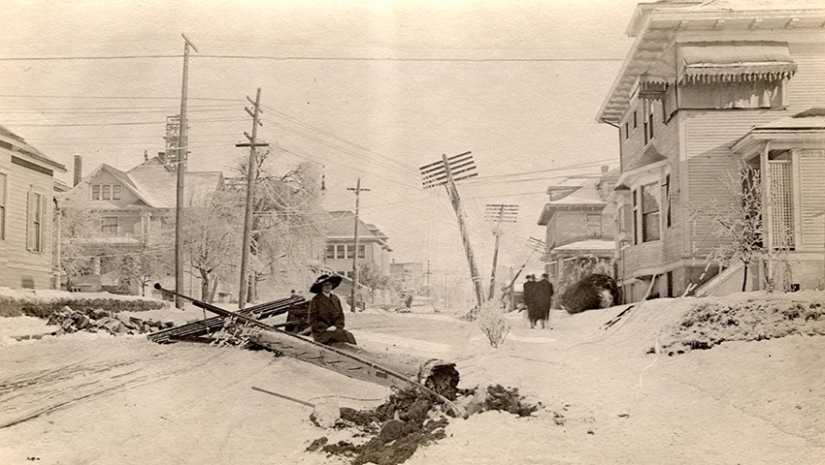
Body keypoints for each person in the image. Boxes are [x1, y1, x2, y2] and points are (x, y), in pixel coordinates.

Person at [307, 274, 357, 345]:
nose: (328, 286)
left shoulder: (335, 299)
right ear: (321, 287)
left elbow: (340, 315)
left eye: (329, 284)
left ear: (332, 285)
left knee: (349, 336)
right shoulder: (316, 300)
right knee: (345, 336)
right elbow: (313, 319)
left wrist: (336, 326)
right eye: (325, 284)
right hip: (321, 332)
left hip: (335, 329)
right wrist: (325, 328)